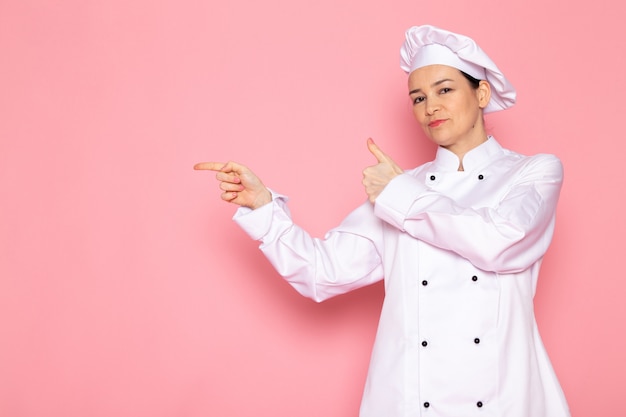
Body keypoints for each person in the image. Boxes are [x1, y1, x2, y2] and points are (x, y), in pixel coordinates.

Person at [195, 25, 571, 417]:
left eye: (445, 90)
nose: (430, 107)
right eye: (418, 97)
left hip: (500, 398)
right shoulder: (401, 189)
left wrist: (400, 196)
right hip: (410, 400)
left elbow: (500, 241)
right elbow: (322, 272)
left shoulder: (532, 172)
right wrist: (263, 207)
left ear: (481, 93)